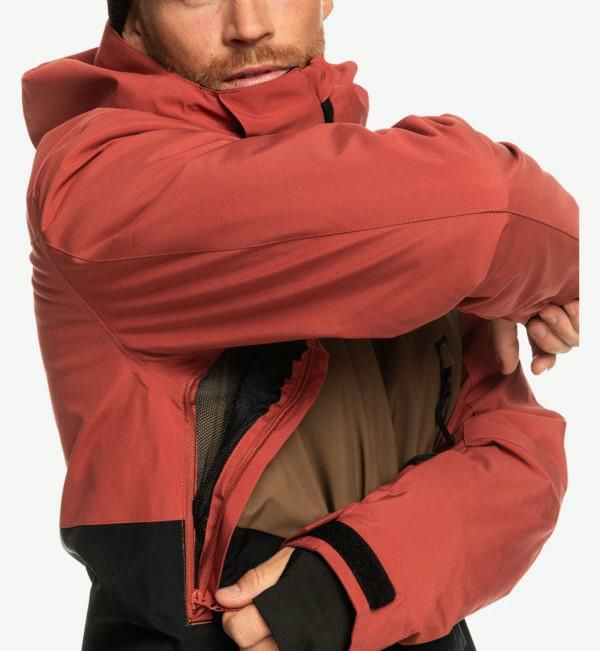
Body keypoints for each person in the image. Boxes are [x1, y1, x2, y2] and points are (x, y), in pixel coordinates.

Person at [20, 1, 579, 649]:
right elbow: (491, 204)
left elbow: (522, 458)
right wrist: (548, 273)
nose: (249, 26)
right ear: (134, 21)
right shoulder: (97, 185)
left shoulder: (396, 208)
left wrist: (347, 580)